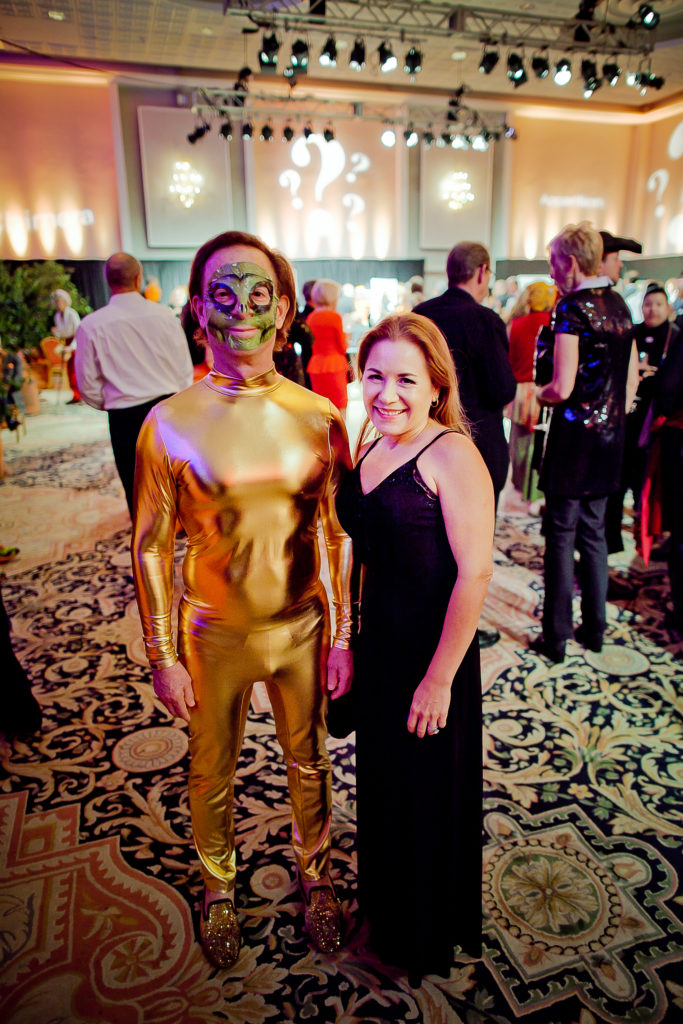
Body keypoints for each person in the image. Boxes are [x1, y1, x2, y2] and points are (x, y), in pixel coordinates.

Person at [131, 231, 353, 970]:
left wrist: (344, 633)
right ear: (198, 309)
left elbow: (337, 535)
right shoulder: (166, 422)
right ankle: (217, 889)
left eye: (258, 295)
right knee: (210, 768)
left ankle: (316, 876)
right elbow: (151, 545)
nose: (241, 312)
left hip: (301, 628)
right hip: (210, 632)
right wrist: (162, 653)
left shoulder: (319, 416)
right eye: (222, 295)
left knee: (309, 762)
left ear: (284, 308)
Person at [336, 312, 491, 984]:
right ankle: (387, 906)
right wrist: (345, 641)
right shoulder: (370, 445)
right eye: (374, 375)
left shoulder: (451, 453)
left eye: (405, 378)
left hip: (434, 653)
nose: (386, 392)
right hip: (380, 647)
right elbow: (357, 555)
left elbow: (476, 572)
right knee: (384, 785)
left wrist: (439, 680)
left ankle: (423, 932)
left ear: (435, 385)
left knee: (427, 795)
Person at [532, 222, 639, 663]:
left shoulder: (571, 308)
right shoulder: (619, 305)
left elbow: (562, 385)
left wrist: (537, 395)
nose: (553, 272)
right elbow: (631, 382)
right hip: (611, 438)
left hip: (574, 439)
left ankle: (555, 639)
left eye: (555, 263)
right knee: (594, 533)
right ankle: (595, 629)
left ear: (571, 262)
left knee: (560, 537)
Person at [413, 241, 516, 648]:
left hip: (425, 444)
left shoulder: (422, 315)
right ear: (481, 272)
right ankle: (463, 632)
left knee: (429, 542)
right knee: (471, 552)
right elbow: (502, 388)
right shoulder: (485, 319)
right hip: (477, 445)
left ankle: (430, 622)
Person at [74, 253, 193, 518]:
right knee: (174, 477)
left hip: (124, 415)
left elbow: (87, 385)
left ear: (107, 281)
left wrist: (112, 403)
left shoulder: (91, 325)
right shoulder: (165, 316)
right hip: (167, 409)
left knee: (135, 484)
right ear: (139, 279)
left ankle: (147, 541)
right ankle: (181, 528)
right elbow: (184, 369)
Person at [606, 282, 680, 555]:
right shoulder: (631, 334)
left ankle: (649, 535)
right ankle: (612, 538)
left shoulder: (675, 336)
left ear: (668, 308)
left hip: (658, 420)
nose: (652, 310)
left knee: (646, 481)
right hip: (627, 415)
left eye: (658, 304)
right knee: (619, 477)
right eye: (648, 304)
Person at [506, 282, 557, 501]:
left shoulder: (515, 324)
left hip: (519, 391)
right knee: (539, 443)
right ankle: (534, 491)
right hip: (542, 391)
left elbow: (507, 360)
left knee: (518, 442)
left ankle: (518, 486)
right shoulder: (554, 325)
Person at [306, 279, 349, 416]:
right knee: (339, 409)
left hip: (316, 365)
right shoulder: (335, 317)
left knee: (321, 408)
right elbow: (342, 347)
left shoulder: (311, 318)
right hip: (334, 366)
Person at [50, 289, 82, 404]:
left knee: (76, 370)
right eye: (56, 302)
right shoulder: (57, 316)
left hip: (76, 343)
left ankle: (81, 394)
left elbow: (78, 332)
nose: (58, 304)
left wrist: (72, 347)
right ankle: (75, 394)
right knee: (69, 370)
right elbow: (62, 333)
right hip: (67, 344)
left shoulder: (72, 313)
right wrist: (56, 332)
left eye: (59, 301)